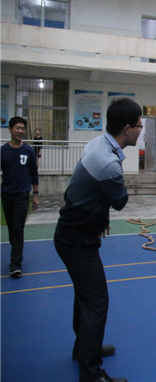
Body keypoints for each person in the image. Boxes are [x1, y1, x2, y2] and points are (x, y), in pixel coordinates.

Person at [54, 98, 142, 382]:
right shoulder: (109, 164)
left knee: (85, 296)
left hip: (73, 233)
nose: (140, 130)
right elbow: (120, 201)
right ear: (126, 128)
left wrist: (99, 218)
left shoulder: (96, 144)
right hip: (77, 240)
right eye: (139, 125)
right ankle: (91, 374)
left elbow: (81, 190)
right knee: (96, 302)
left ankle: (83, 347)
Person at [1, 116, 40, 278]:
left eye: (22, 128)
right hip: (6, 194)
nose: (20, 131)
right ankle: (16, 254)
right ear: (10, 130)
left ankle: (15, 264)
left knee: (18, 228)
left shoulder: (28, 151)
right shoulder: (3, 151)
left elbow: (34, 174)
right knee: (12, 229)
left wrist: (35, 195)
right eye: (17, 128)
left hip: (22, 195)